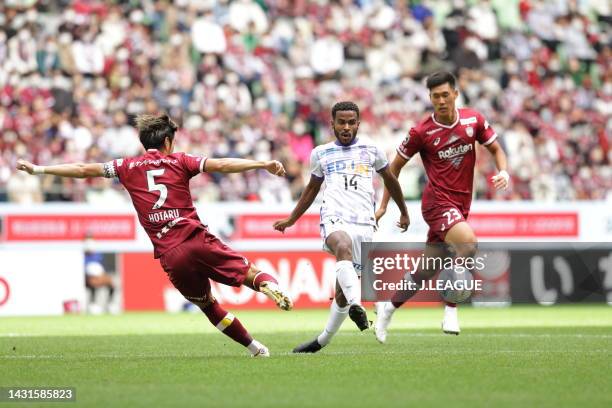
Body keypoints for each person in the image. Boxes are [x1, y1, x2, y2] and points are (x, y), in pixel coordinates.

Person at [16, 113, 292, 357]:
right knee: (250, 273)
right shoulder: (181, 161)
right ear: (169, 142)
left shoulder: (125, 166)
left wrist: (39, 169)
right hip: (195, 236)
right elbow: (220, 164)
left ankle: (255, 348)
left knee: (208, 306)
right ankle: (269, 286)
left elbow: (82, 169)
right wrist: (260, 164)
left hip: (170, 254)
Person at [374, 71, 509, 342]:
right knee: (468, 243)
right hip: (436, 203)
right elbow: (392, 169)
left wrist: (503, 171)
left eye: (445, 95)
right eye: (435, 96)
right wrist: (384, 206)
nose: (441, 100)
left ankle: (388, 309)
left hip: (460, 204)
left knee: (426, 269)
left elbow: (496, 148)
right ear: (430, 98)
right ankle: (451, 308)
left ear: (455, 94)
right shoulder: (421, 132)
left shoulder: (474, 120)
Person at [273, 101, 409, 353]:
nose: (346, 127)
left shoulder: (373, 150)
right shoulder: (321, 153)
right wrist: (292, 219)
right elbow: (312, 189)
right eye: (341, 122)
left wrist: (402, 210)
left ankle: (321, 341)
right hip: (334, 216)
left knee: (341, 295)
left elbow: (391, 180)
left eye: (351, 122)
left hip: (364, 223)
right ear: (332, 124)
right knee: (342, 246)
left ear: (358, 123)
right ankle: (358, 305)